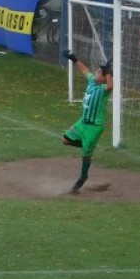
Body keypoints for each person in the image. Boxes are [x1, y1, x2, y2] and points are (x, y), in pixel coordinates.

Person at [61, 49, 114, 194]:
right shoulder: (92, 81)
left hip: (94, 127)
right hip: (83, 122)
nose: (95, 72)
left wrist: (108, 72)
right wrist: (73, 58)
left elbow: (111, 86)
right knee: (65, 140)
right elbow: (84, 69)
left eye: (98, 72)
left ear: (103, 78)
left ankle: (83, 176)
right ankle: (87, 147)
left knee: (85, 155)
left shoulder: (104, 89)